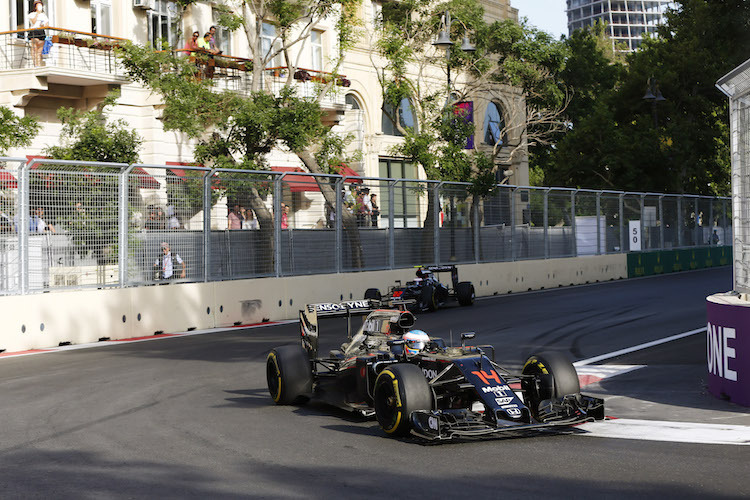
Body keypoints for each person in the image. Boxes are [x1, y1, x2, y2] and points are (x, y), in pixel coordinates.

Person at [27, 1, 49, 67]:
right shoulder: (32, 14)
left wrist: (43, 25)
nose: (40, 7)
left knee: (40, 49)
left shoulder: (44, 15)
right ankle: (35, 64)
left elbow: (46, 25)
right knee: (34, 48)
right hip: (34, 31)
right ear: (35, 7)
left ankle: (38, 64)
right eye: (38, 6)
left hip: (41, 31)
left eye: (41, 6)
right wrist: (37, 14)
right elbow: (33, 21)